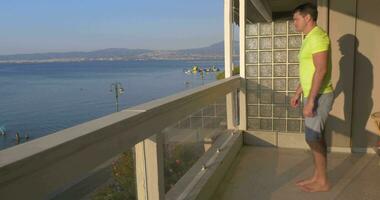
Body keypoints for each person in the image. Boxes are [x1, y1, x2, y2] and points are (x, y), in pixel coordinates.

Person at [290, 3, 334, 192]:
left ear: (308, 18)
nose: (294, 23)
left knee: (313, 138)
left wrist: (311, 101)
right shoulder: (309, 38)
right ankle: (317, 176)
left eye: (296, 19)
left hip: (319, 96)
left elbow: (321, 69)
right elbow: (309, 71)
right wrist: (299, 92)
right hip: (312, 94)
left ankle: (323, 181)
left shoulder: (317, 37)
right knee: (313, 138)